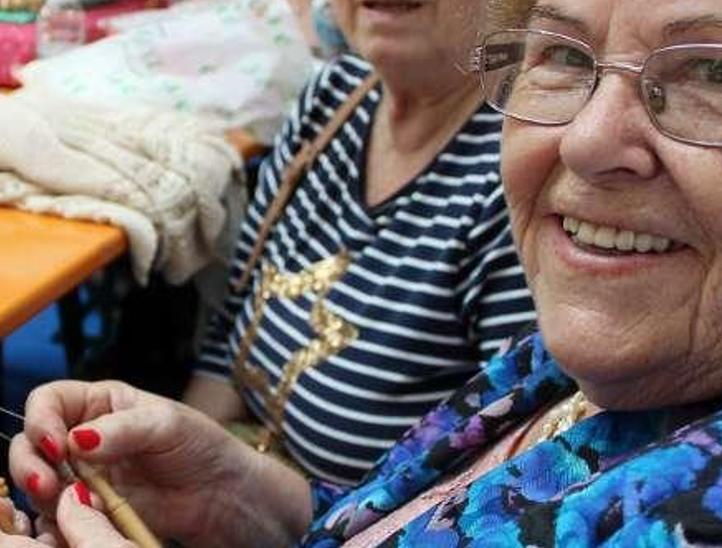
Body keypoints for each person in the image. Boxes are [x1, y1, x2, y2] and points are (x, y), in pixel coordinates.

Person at [0, 0, 722, 545]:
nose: (591, 139)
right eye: (564, 54)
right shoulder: (637, 340)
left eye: (715, 74)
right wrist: (249, 504)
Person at [182, 0, 535, 485]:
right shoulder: (332, 98)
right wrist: (174, 458)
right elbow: (229, 331)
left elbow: (494, 484)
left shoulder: (519, 177)